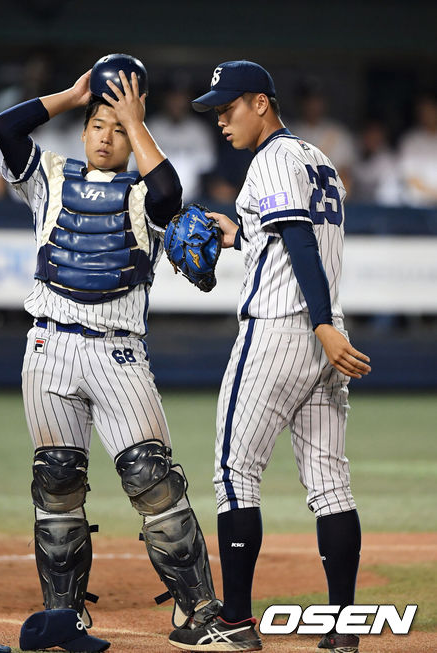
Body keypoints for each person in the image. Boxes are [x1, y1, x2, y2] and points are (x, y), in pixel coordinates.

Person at [0, 54, 220, 652]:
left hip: (117, 351)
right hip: (48, 345)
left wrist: (134, 120)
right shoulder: (50, 175)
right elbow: (7, 130)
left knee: (152, 479)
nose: (106, 136)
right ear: (83, 127)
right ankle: (64, 616)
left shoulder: (146, 194)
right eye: (99, 124)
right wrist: (73, 95)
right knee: (57, 481)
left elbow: (171, 196)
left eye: (117, 129)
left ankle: (199, 612)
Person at [168, 61, 371, 653]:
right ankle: (342, 630)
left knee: (235, 474)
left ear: (261, 102)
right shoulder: (317, 159)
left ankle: (233, 621)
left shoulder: (273, 159)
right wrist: (243, 233)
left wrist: (322, 323)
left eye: (228, 107)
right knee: (330, 483)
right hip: (320, 343)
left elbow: (301, 241)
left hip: (283, 331)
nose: (221, 119)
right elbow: (289, 234)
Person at [146, 79, 217, 201]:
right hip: (154, 200)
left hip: (192, 200)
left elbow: (208, 167)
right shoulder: (151, 128)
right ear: (164, 99)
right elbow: (135, 166)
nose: (177, 103)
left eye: (181, 97)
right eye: (173, 97)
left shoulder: (200, 130)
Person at [290, 78, 357, 197]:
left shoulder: (338, 133)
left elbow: (347, 177)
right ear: (301, 103)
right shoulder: (290, 133)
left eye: (317, 100)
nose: (313, 105)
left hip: (332, 203)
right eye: (309, 100)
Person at [398, 92, 437, 206]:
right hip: (419, 207)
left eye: (430, 110)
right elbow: (410, 178)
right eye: (423, 111)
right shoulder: (410, 140)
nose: (427, 114)